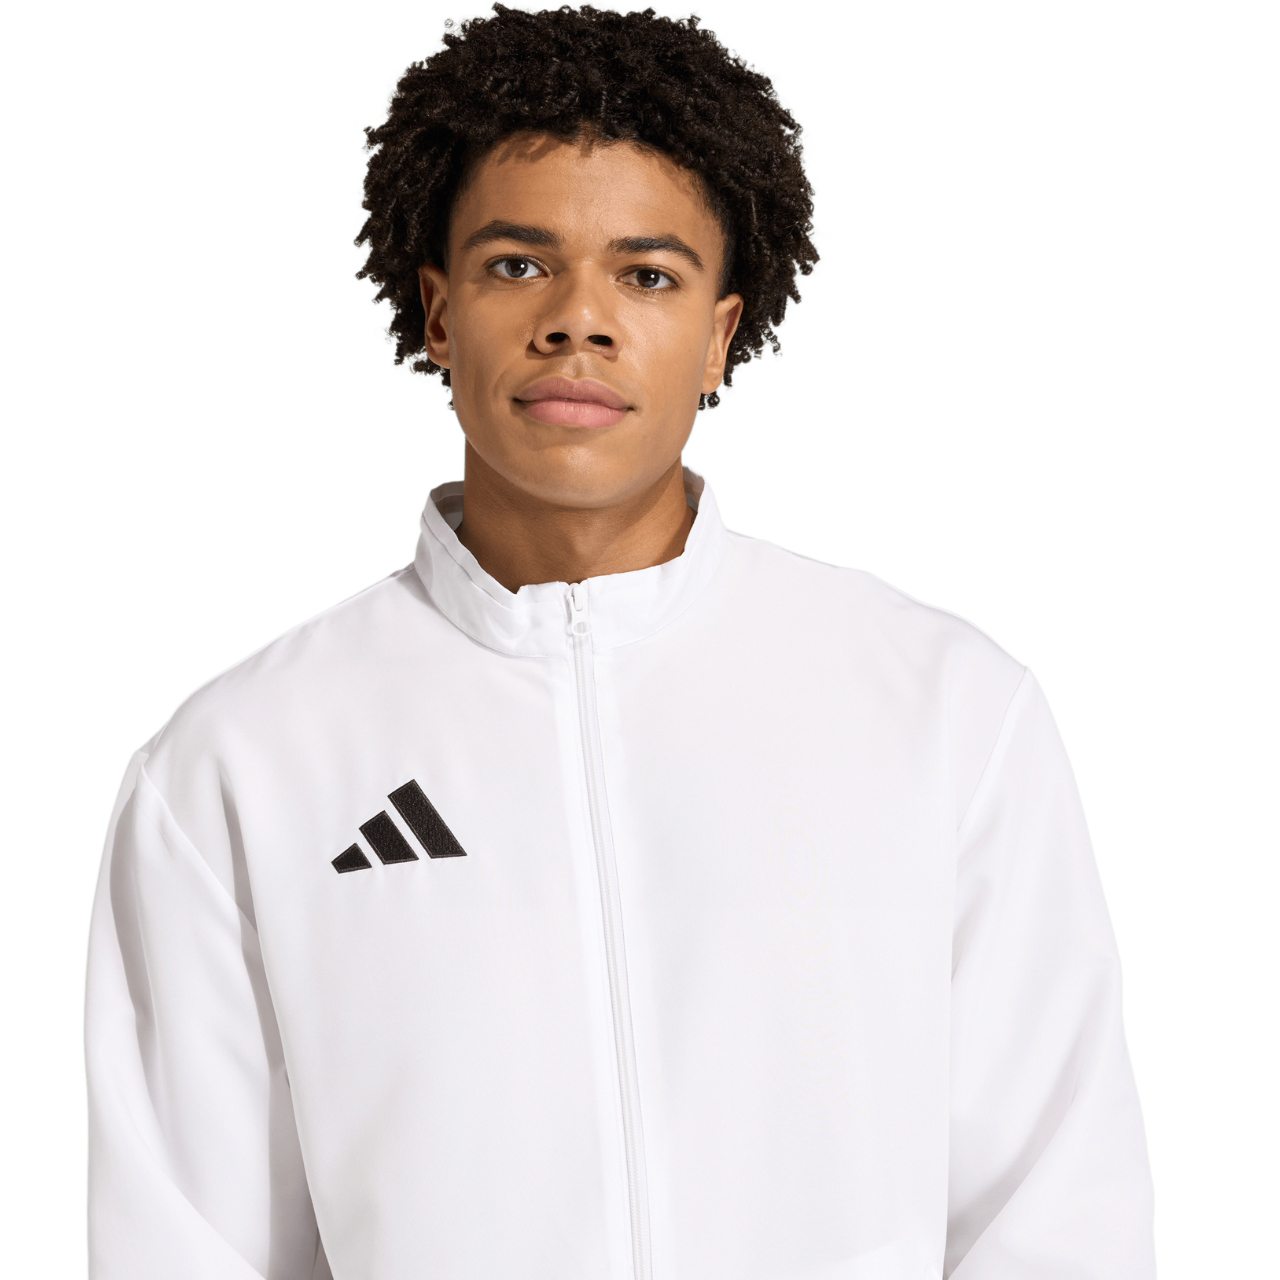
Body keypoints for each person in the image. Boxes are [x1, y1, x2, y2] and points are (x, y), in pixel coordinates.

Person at [85, 6, 1156, 1277]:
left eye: (646, 275)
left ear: (717, 335)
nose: (577, 320)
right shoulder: (242, 763)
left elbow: (1052, 1207)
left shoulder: (942, 711)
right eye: (515, 265)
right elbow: (184, 1240)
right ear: (437, 312)